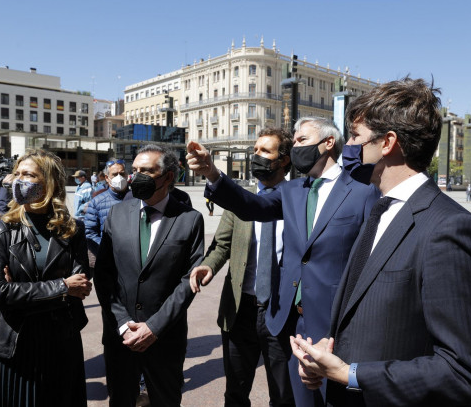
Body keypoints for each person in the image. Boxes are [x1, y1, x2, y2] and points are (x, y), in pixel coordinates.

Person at [290, 77, 471, 406]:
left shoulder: (449, 229)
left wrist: (351, 374)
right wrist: (326, 361)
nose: (348, 148)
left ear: (387, 143)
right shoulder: (379, 210)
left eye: (356, 137)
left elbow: (468, 373)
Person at [187, 116, 379, 406]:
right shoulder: (291, 192)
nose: (297, 145)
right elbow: (253, 205)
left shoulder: (363, 191)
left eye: (302, 140)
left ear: (328, 143)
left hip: (337, 325)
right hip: (292, 323)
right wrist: (214, 174)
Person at [0, 149, 92, 407]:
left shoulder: (73, 230)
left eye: (29, 174)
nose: (18, 180)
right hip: (13, 344)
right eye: (18, 173)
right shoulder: (0, 229)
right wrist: (61, 287)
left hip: (60, 343)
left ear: (49, 183)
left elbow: (80, 288)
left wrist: (20, 290)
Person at [190, 128, 295, 407]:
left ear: (283, 160)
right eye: (255, 150)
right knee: (235, 392)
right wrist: (208, 266)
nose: (256, 156)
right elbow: (222, 245)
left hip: (281, 310)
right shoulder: (240, 199)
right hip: (240, 309)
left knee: (284, 394)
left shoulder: (298, 199)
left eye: (265, 151)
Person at [95, 144, 205, 407]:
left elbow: (188, 282)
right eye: (135, 170)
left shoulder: (190, 219)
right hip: (121, 336)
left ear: (168, 177)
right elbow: (104, 275)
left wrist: (154, 327)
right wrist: (123, 324)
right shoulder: (116, 214)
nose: (136, 177)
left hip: (165, 337)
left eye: (147, 171)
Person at [85, 159, 129, 256]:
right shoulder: (96, 202)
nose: (119, 178)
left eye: (122, 174)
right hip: (108, 259)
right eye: (114, 174)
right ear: (107, 178)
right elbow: (90, 233)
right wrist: (106, 251)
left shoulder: (138, 199)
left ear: (127, 175)